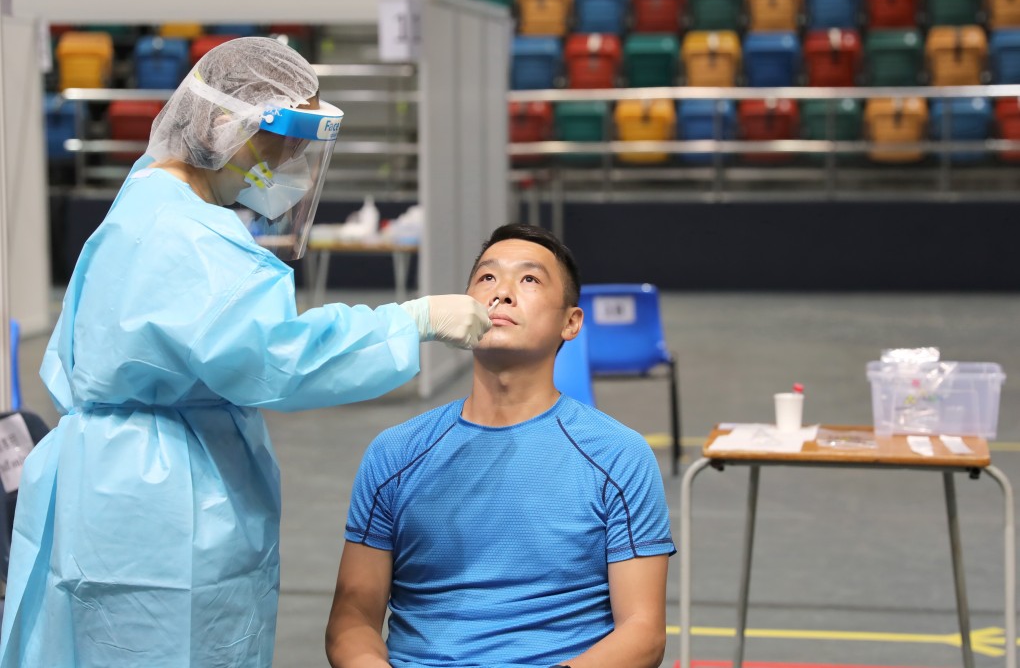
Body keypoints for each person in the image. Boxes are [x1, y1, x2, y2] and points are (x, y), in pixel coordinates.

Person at [0, 37, 491, 668]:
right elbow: (276, 358)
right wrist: (410, 321)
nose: (291, 166)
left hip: (116, 486)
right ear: (231, 129)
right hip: (160, 506)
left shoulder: (153, 198)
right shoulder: (190, 236)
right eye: (284, 146)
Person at [326, 224, 675, 668]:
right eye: (487, 278)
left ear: (571, 322)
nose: (503, 293)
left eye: (529, 279)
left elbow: (643, 633)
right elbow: (352, 615)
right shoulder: (394, 453)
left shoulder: (619, 457)